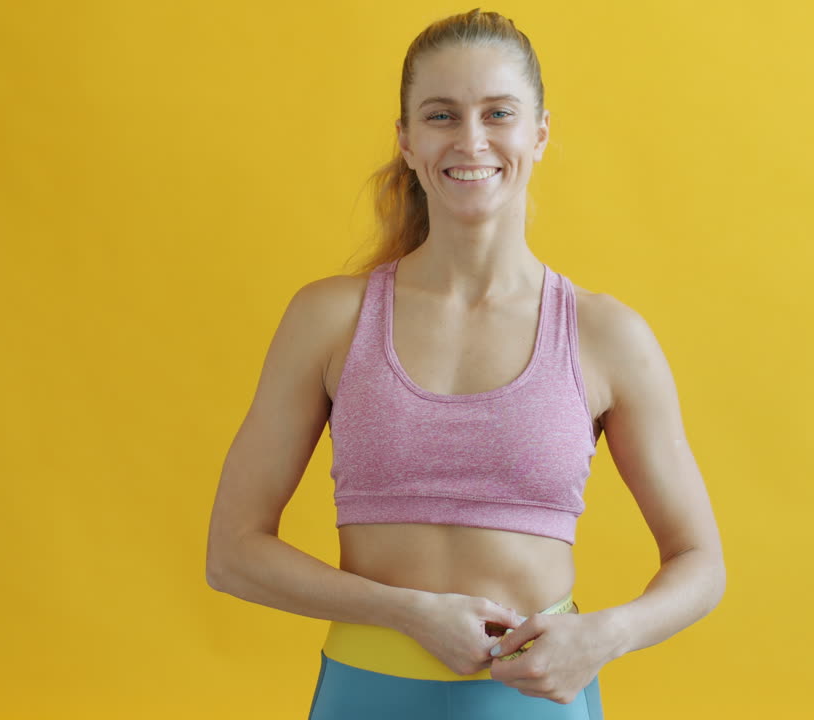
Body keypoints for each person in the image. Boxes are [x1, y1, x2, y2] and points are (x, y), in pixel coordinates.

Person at [205, 8, 725, 719]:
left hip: (537, 705)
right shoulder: (330, 319)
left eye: (498, 113)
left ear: (539, 133)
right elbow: (232, 553)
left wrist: (604, 636)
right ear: (408, 140)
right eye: (442, 115)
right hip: (366, 696)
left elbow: (701, 562)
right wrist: (406, 612)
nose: (471, 139)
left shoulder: (606, 336)